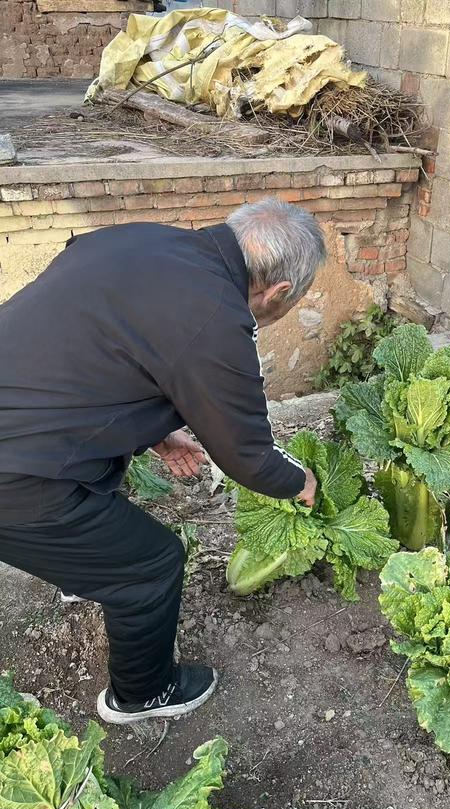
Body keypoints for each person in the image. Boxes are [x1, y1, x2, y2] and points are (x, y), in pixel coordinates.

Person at [0, 198, 325, 724]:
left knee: (98, 484)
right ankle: (142, 694)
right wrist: (301, 481)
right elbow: (248, 456)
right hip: (15, 470)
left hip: (16, 421)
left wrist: (157, 432)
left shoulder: (136, 238)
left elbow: (91, 349)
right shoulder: (219, 319)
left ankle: (80, 569)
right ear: (278, 291)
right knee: (151, 565)